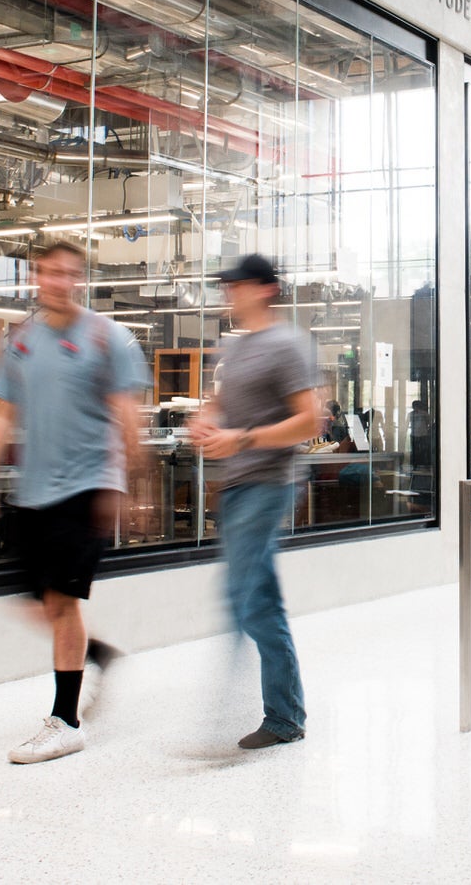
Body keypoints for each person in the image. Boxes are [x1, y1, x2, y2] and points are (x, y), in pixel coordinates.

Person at [0, 238, 148, 765]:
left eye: (70, 274)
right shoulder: (21, 341)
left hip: (87, 485)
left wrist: (129, 485)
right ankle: (95, 655)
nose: (60, 282)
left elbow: (126, 415)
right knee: (35, 601)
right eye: (51, 273)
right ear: (37, 277)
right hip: (33, 490)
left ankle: (65, 721)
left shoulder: (105, 336)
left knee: (62, 600)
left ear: (80, 279)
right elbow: (1, 416)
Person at [191, 254, 324, 750]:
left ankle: (257, 712)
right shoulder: (237, 347)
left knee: (245, 600)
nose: (231, 293)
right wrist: (204, 419)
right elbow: (219, 401)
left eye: (239, 285)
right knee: (255, 598)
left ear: (266, 289)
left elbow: (310, 421)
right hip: (237, 484)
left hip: (270, 482)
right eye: (228, 285)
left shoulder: (289, 345)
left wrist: (242, 440)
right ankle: (284, 716)